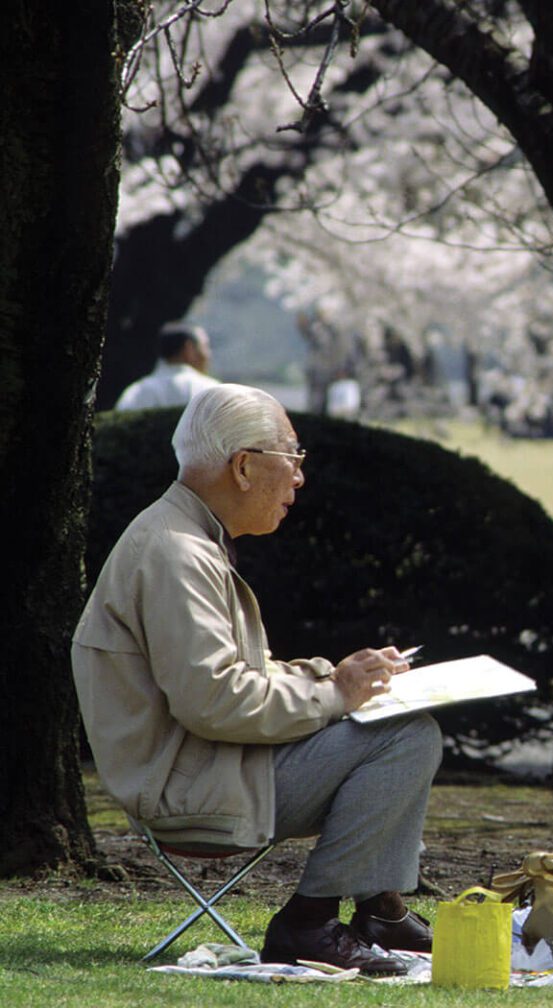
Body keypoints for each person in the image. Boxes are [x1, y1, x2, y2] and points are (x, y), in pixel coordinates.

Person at [72, 384, 441, 975]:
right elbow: (215, 700)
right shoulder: (176, 552)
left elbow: (236, 678)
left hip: (213, 762)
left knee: (392, 716)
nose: (298, 478)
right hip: (191, 785)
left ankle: (380, 908)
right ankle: (309, 923)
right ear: (243, 466)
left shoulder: (186, 537)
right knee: (407, 736)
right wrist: (336, 695)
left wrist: (337, 677)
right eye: (292, 458)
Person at [115, 322, 221, 410]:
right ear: (188, 348)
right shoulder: (210, 389)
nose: (208, 355)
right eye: (205, 346)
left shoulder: (136, 392)